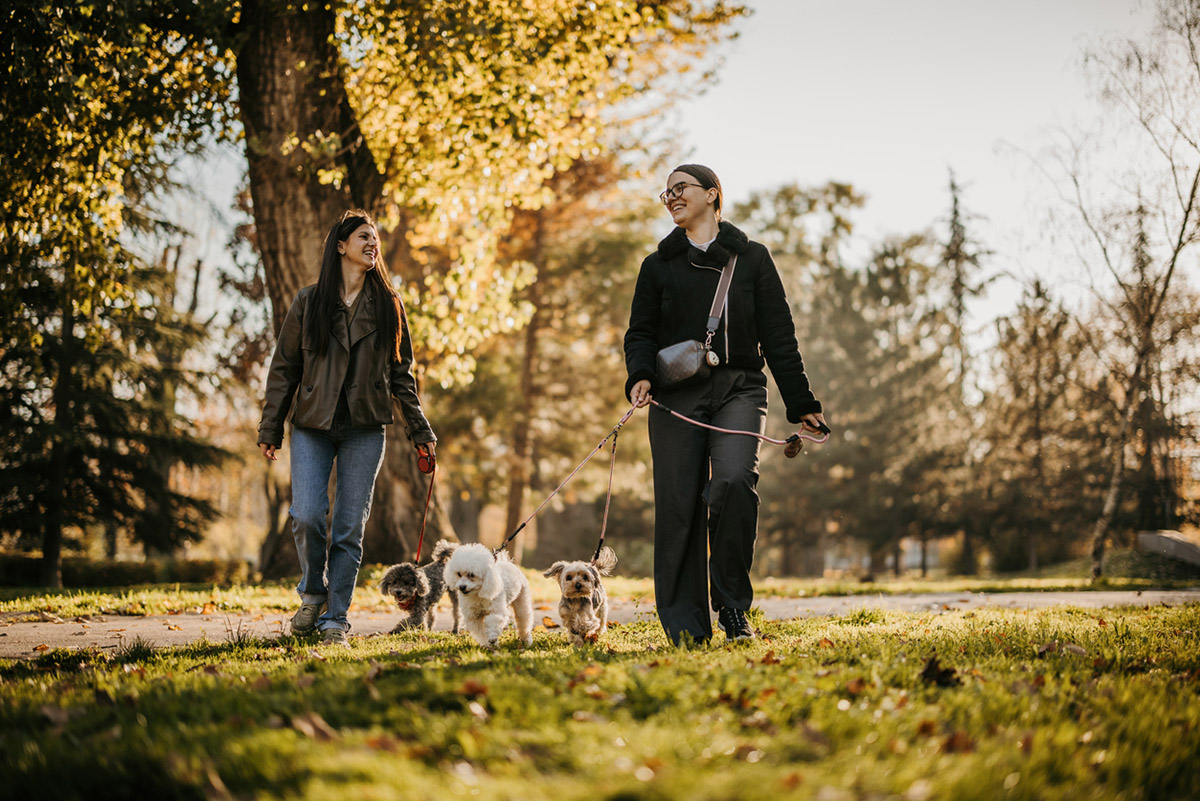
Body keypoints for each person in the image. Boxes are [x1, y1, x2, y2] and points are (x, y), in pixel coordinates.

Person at [624, 164, 828, 646]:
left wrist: (800, 402)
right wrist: (640, 376)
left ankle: (733, 609)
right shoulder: (657, 266)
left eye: (681, 188)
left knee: (735, 483)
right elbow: (641, 332)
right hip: (676, 396)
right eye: (666, 192)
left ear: (712, 195)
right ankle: (685, 626)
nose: (671, 197)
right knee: (678, 506)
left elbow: (779, 335)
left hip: (740, 387)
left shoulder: (752, 258)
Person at [258, 209, 436, 647]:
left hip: (364, 429)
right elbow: (285, 368)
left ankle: (335, 619)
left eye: (375, 237)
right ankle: (313, 592)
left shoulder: (389, 306)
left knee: (349, 527)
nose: (372, 242)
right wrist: (271, 426)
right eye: (363, 236)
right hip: (312, 426)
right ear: (340, 246)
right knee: (305, 516)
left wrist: (421, 432)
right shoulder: (308, 302)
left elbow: (402, 376)